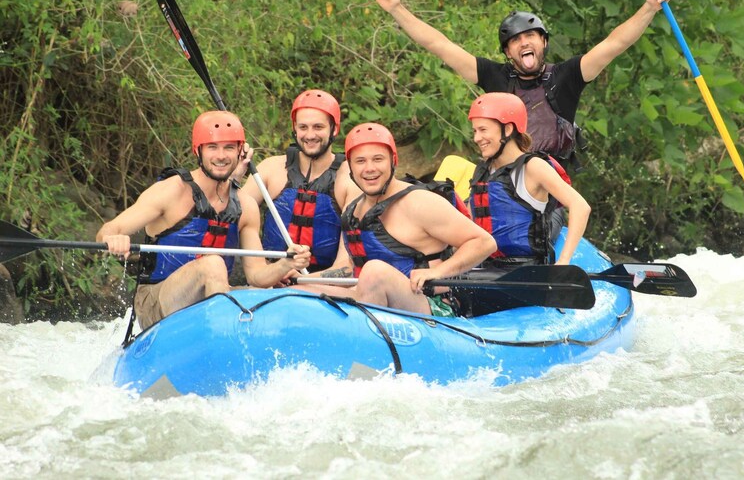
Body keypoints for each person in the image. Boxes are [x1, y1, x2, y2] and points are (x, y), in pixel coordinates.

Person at [364, 0, 682, 170]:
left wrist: (649, 8)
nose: (523, 42)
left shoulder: (568, 76)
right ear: (508, 52)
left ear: (543, 42)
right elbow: (439, 45)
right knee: (452, 168)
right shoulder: (494, 76)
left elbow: (615, 43)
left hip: (548, 178)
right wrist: (396, 9)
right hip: (504, 174)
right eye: (515, 40)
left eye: (530, 36)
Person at [97, 110, 311, 330]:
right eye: (212, 147)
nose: (221, 156)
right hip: (157, 302)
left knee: (276, 296)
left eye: (229, 148)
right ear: (197, 151)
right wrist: (113, 239)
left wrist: (287, 262)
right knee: (213, 263)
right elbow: (110, 228)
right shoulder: (171, 191)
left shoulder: (246, 206)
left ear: (240, 152)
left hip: (212, 298)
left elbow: (256, 275)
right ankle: (222, 338)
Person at [294, 122, 497, 317]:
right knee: (298, 293)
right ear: (351, 169)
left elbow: (483, 242)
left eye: (378, 159)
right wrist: (300, 279)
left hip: (433, 309)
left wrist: (439, 272)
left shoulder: (419, 202)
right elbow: (349, 269)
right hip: (371, 300)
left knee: (375, 272)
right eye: (360, 161)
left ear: (393, 161)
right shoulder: (353, 211)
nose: (369, 168)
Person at [241, 89, 360, 275]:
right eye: (303, 127)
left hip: (324, 287)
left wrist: (302, 282)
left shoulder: (350, 179)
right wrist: (234, 176)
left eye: (318, 127)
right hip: (270, 279)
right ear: (294, 128)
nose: (310, 135)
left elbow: (346, 266)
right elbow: (232, 214)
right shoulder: (271, 169)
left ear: (334, 129)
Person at [467, 92, 591, 266]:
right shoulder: (482, 172)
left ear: (508, 129)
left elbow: (581, 206)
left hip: (526, 269)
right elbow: (470, 221)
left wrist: (563, 261)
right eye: (474, 131)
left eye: (483, 130)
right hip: (483, 267)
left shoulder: (533, 167)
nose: (476, 138)